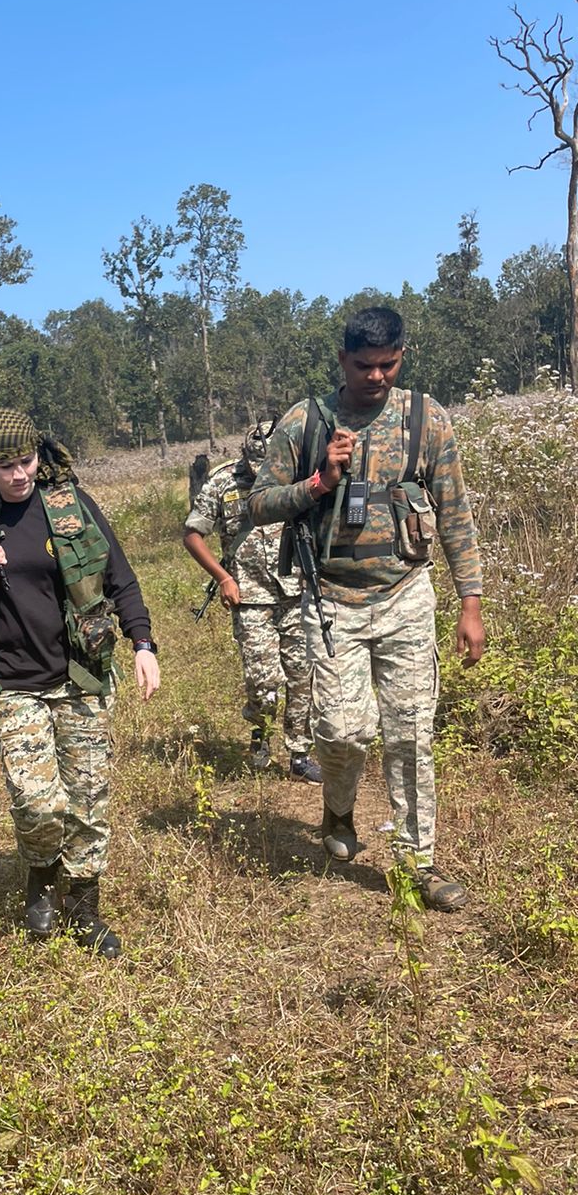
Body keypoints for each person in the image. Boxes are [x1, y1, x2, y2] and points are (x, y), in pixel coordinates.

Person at [248, 307, 486, 911]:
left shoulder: (423, 419)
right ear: (342, 360)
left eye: (388, 364)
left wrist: (470, 603)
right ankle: (338, 809)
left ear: (401, 358)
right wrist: (320, 483)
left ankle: (419, 862)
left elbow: (455, 514)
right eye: (364, 366)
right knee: (342, 731)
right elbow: (257, 505)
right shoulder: (306, 422)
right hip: (331, 601)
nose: (376, 377)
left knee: (411, 733)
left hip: (406, 594)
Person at [0, 407, 160, 957]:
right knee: (38, 803)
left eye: (26, 460)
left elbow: (120, 578)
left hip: (79, 676)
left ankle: (84, 910)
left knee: (88, 800)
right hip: (11, 683)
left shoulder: (71, 507)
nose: (19, 473)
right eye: (5, 465)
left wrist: (142, 644)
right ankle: (41, 875)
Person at [183, 424, 320, 780]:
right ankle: (260, 732)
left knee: (302, 675)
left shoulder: (296, 475)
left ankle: (299, 754)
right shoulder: (222, 482)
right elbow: (193, 534)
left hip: (295, 592)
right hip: (250, 596)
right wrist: (223, 578)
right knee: (264, 682)